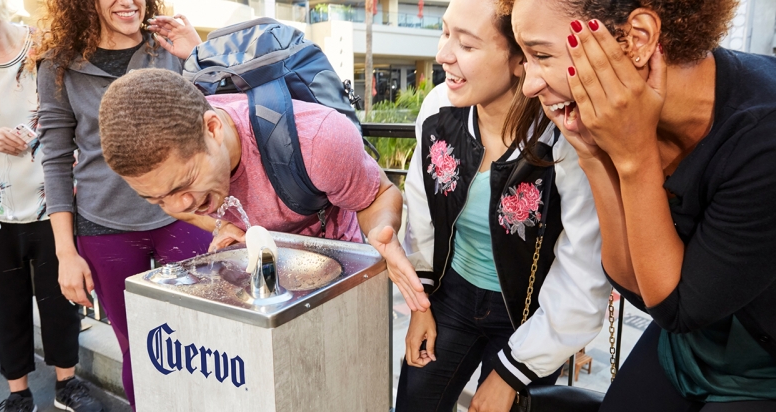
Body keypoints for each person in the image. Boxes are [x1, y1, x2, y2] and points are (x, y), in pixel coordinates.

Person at [506, 0, 776, 410]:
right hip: (686, 343)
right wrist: (594, 157)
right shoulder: (616, 120)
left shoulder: (763, 134)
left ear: (637, 39)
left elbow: (679, 308)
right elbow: (636, 287)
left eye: (541, 55)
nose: (528, 84)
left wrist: (633, 158)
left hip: (761, 364)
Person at [365, 0, 611, 410]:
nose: (443, 55)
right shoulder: (438, 109)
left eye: (467, 44)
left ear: (521, 59)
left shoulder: (566, 136)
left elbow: (583, 268)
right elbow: (423, 211)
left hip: (529, 316)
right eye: (445, 33)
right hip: (450, 297)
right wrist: (420, 304)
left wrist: (514, 371)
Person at [35, 0, 209, 408]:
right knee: (140, 348)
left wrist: (200, 57)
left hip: (182, 215)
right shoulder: (58, 68)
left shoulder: (171, 45)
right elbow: (56, 161)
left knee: (203, 337)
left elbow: (216, 122)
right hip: (104, 226)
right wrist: (65, 253)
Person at [0, 0, 105, 410]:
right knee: (5, 302)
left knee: (61, 297)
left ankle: (67, 385)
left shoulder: (48, 46)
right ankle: (17, 393)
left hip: (54, 200)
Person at [97, 68, 404, 266]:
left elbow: (379, 195)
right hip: (266, 266)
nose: (181, 205)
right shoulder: (174, 187)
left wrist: (380, 233)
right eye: (157, 199)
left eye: (184, 184)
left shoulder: (319, 139)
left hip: (334, 265)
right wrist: (231, 228)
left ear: (213, 129)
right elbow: (178, 205)